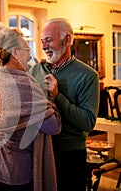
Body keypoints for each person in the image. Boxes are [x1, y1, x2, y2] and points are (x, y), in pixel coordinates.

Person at [29, 18, 100, 191]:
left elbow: (88, 122)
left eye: (49, 40)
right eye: (42, 41)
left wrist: (58, 96)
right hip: (38, 151)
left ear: (67, 40)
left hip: (69, 156)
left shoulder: (88, 76)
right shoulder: (35, 71)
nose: (44, 46)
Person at [0, 28, 61, 191]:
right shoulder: (22, 85)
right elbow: (52, 126)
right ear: (14, 52)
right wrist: (51, 97)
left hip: (0, 166)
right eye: (27, 50)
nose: (30, 56)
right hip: (19, 172)